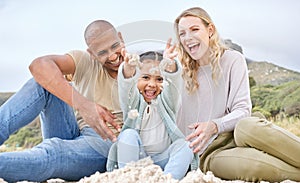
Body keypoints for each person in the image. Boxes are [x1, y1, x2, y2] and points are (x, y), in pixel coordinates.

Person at [174, 7, 300, 182]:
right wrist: (167, 68)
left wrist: (215, 125)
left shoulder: (233, 60)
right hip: (211, 151)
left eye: (194, 29)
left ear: (210, 30)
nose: (188, 38)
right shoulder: (178, 73)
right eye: (182, 34)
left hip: (238, 132)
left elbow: (242, 110)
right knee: (254, 166)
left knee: (247, 125)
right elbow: (155, 102)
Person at [0, 20, 124, 182]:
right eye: (102, 52)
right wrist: (84, 106)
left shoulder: (140, 67)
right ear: (92, 53)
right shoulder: (85, 61)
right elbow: (39, 65)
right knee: (42, 83)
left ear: (121, 38)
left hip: (107, 143)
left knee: (54, 151)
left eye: (115, 46)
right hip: (75, 133)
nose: (113, 56)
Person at [106, 41, 197, 180]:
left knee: (185, 145)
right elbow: (127, 89)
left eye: (159, 79)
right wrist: (129, 68)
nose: (152, 84)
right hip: (136, 160)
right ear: (137, 79)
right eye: (146, 77)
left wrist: (170, 64)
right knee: (128, 135)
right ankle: (128, 177)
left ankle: (168, 179)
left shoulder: (167, 102)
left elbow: (173, 85)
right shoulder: (133, 103)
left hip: (163, 161)